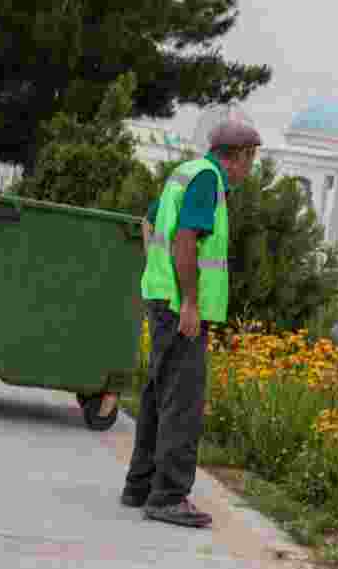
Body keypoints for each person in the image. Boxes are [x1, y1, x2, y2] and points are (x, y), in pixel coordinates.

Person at [121, 120, 262, 528]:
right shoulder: (208, 181)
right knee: (182, 401)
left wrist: (157, 272)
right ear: (238, 157)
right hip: (179, 307)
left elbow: (148, 223)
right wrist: (190, 304)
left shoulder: (184, 172)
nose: (250, 169)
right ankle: (168, 496)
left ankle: (140, 485)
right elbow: (185, 240)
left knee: (157, 394)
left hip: (160, 295)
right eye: (251, 160)